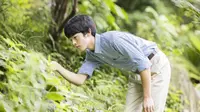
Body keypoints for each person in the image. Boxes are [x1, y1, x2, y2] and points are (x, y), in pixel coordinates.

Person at [50, 15, 171, 112]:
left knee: (150, 109)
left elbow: (144, 64)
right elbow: (80, 80)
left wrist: (147, 97)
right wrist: (58, 67)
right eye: (71, 40)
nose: (73, 43)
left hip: (155, 66)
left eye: (75, 38)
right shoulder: (91, 55)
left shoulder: (113, 39)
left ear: (88, 32)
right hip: (137, 72)